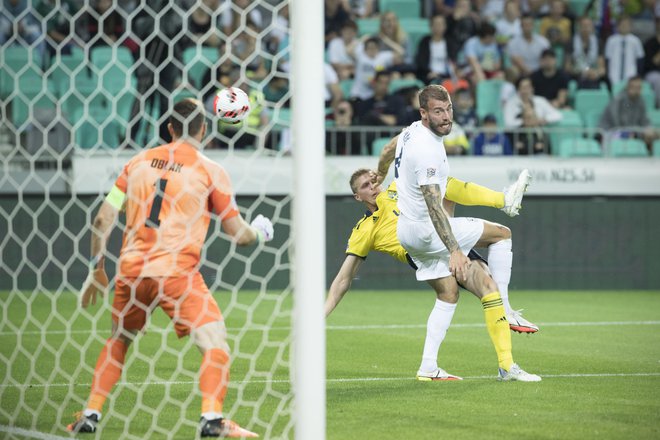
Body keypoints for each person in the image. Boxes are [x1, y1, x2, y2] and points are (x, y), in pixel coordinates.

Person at [67, 99, 272, 437]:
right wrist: (260, 232)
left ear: (170, 129)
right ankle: (212, 419)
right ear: (204, 130)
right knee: (214, 341)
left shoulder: (136, 163)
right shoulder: (210, 170)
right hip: (177, 273)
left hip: (131, 271)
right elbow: (239, 236)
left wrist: (96, 267)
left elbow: (103, 218)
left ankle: (90, 413)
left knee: (119, 340)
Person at [391, 85, 540, 381]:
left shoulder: (409, 132)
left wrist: (378, 170)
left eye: (448, 109)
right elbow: (435, 206)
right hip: (427, 231)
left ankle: (431, 367)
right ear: (423, 113)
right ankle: (508, 311)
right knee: (502, 233)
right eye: (438, 111)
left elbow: (387, 150)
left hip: (407, 232)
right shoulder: (428, 151)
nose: (446, 117)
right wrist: (455, 250)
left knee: (459, 292)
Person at [503, 76, 562, 154]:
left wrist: (541, 120)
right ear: (518, 89)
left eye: (528, 87)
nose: (525, 90)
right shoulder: (511, 103)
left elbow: (558, 115)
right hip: (519, 134)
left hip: (537, 133)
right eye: (523, 87)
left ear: (532, 88)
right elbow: (508, 123)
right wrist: (524, 122)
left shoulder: (540, 101)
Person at [599, 75, 657, 149]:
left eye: (639, 88)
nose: (637, 90)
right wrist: (637, 132)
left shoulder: (640, 101)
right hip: (612, 131)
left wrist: (649, 128)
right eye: (634, 87)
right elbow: (619, 123)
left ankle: (649, 157)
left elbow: (645, 120)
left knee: (653, 134)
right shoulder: (620, 100)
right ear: (628, 87)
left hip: (631, 131)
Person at [604, 15, 645, 87]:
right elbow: (607, 59)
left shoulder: (635, 41)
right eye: (622, 25)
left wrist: (638, 75)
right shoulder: (611, 40)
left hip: (631, 73)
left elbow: (640, 60)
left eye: (626, 25)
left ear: (631, 26)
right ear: (617, 26)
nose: (624, 27)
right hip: (614, 73)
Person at [506, 14, 550, 79]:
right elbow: (516, 59)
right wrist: (528, 71)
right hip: (522, 71)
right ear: (521, 26)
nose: (528, 27)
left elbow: (546, 57)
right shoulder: (513, 42)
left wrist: (538, 72)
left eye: (530, 25)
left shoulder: (543, 41)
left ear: (533, 26)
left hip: (540, 71)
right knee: (513, 70)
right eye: (525, 25)